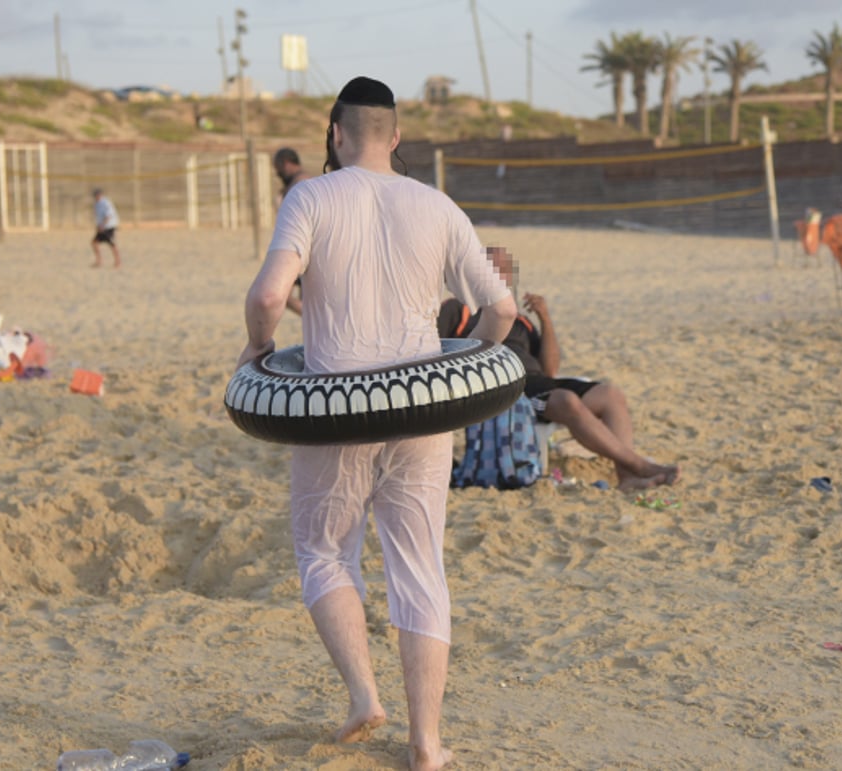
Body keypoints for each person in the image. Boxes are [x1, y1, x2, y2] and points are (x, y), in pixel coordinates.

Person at [238, 76, 515, 771]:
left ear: (335, 135)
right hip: (424, 408)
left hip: (333, 411)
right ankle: (426, 742)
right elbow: (503, 310)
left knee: (323, 549)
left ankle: (364, 696)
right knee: (420, 565)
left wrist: (258, 347)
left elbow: (271, 293)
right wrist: (464, 371)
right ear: (395, 137)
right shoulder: (437, 205)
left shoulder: (310, 196)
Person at [438, 246, 680, 491]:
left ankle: (627, 476)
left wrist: (545, 318)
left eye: (506, 272)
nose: (503, 278)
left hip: (538, 383)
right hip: (508, 390)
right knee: (567, 401)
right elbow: (435, 352)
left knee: (611, 395)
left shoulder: (520, 320)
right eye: (495, 270)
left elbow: (550, 369)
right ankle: (639, 465)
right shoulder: (459, 310)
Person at [273, 148, 314, 315]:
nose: (277, 173)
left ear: (286, 163)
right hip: (303, 249)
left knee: (282, 296)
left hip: (302, 250)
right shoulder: (302, 182)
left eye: (277, 167)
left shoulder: (300, 185)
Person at [90, 188, 121, 268]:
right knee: (94, 243)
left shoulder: (106, 203)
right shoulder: (97, 204)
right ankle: (99, 261)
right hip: (101, 227)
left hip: (108, 226)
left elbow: (109, 215)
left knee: (112, 244)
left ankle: (117, 262)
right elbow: (98, 216)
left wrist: (102, 225)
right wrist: (98, 226)